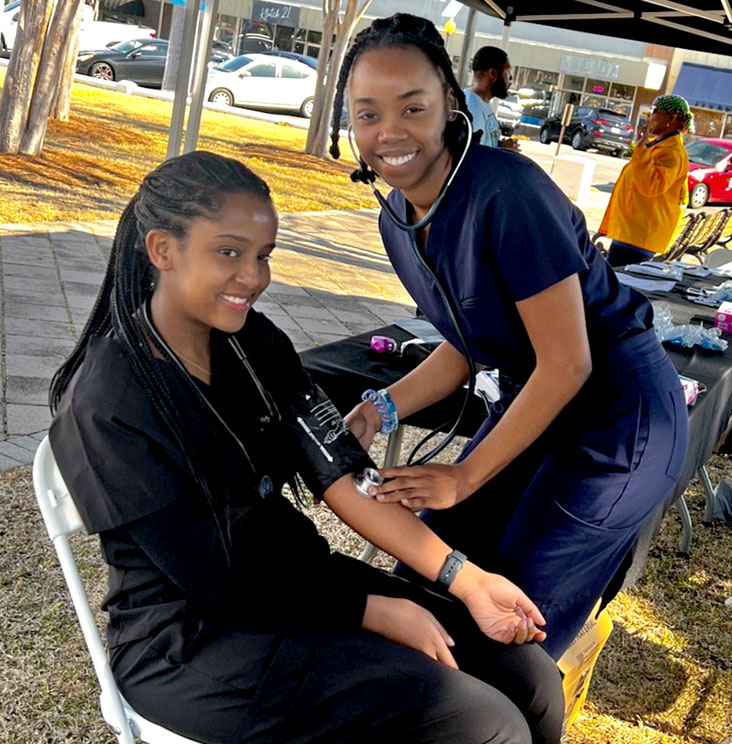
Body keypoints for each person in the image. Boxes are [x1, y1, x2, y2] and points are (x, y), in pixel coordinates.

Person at [48, 151, 564, 744]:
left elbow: (344, 475)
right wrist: (373, 611)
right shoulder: (108, 400)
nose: (253, 277)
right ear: (163, 249)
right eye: (229, 253)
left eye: (263, 256)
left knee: (529, 678)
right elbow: (215, 579)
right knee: (482, 724)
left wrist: (466, 579)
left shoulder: (255, 344)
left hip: (303, 586)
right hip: (193, 642)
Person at [328, 13, 688, 661]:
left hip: (618, 421)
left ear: (450, 101)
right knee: (432, 573)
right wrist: (381, 407)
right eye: (367, 113)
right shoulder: (396, 217)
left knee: (516, 615)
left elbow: (568, 363)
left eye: (412, 106)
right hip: (537, 405)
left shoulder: (508, 193)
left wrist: (464, 475)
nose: (390, 132)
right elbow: (468, 340)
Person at [600, 95, 692, 267]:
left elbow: (650, 186)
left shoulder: (672, 153)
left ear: (671, 118)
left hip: (639, 236)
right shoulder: (659, 146)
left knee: (618, 285)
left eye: (655, 112)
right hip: (632, 232)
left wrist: (641, 149)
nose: (649, 117)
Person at [463, 45, 519, 151]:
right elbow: (473, 156)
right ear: (493, 73)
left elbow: (483, 146)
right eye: (507, 72)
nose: (510, 80)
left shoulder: (481, 103)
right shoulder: (472, 107)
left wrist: (500, 145)